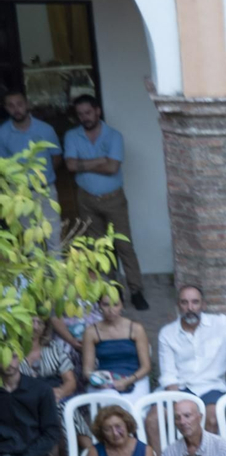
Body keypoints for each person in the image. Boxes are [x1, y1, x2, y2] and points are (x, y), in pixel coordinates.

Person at [62, 95, 145, 308]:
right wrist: (101, 159)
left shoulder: (114, 136)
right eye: (80, 114)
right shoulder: (72, 136)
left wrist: (84, 164)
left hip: (113, 199)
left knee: (124, 245)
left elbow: (112, 168)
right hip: (86, 200)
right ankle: (110, 292)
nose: (85, 117)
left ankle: (136, 290)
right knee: (97, 248)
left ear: (97, 111)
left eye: (88, 113)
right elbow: (70, 166)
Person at [157, 285, 226, 432]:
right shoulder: (167, 333)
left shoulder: (220, 324)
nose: (190, 308)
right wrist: (179, 402)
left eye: (195, 302)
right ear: (178, 305)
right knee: (153, 420)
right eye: (184, 302)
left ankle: (207, 449)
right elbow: (168, 375)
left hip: (211, 387)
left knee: (212, 419)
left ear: (203, 305)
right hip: (180, 388)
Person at [1, 88, 61, 252]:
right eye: (11, 105)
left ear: (27, 104)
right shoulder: (2, 133)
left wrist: (43, 176)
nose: (16, 109)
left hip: (46, 191)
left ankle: (57, 269)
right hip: (20, 194)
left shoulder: (46, 129)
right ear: (6, 108)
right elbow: (3, 166)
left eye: (19, 104)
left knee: (54, 237)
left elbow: (56, 157)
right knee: (30, 241)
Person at [0, 352, 62, 456]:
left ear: (20, 357)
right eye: (2, 357)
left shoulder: (41, 389)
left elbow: (51, 432)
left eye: (13, 356)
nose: (9, 362)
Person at [82, 290, 151, 398]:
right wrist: (97, 381)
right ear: (99, 305)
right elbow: (87, 370)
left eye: (115, 304)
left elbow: (146, 367)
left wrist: (127, 381)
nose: (111, 310)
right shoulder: (91, 332)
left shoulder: (136, 329)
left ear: (122, 305)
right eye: (105, 305)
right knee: (110, 399)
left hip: (135, 378)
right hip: (104, 381)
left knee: (129, 403)